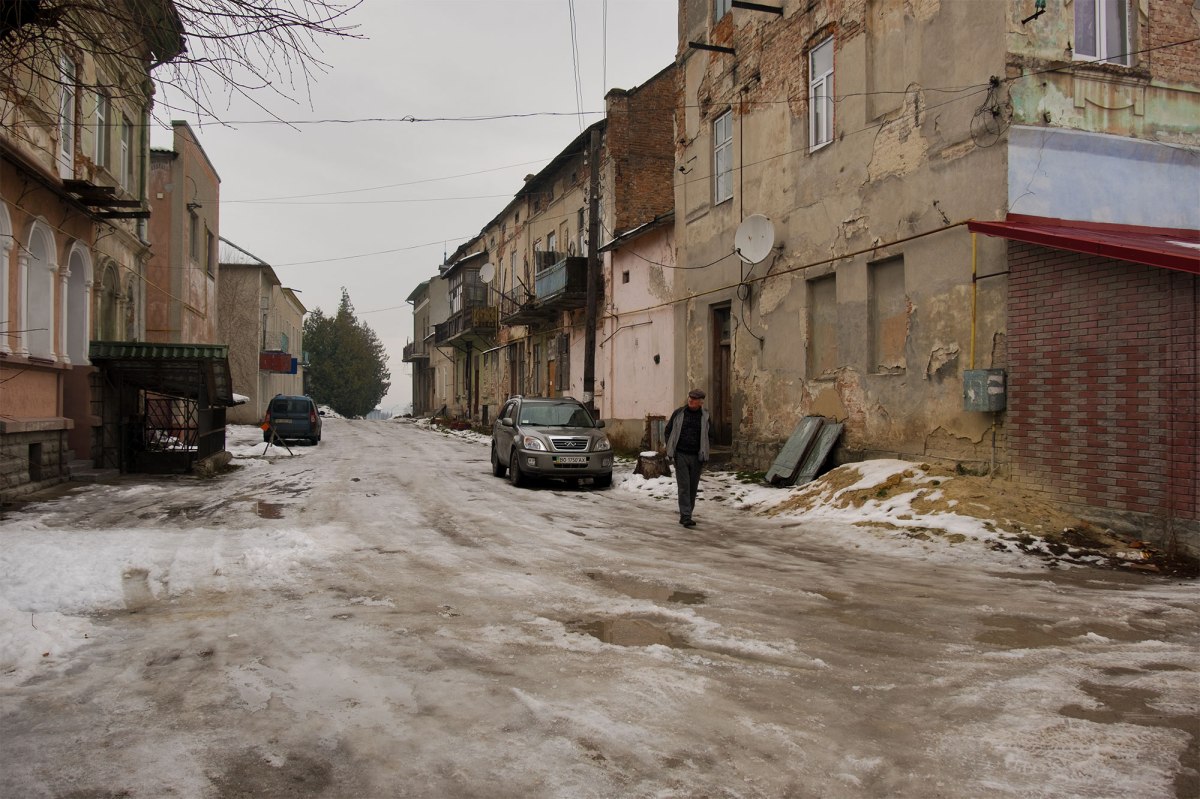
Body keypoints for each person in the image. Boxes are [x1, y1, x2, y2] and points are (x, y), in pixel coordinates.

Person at [665, 388, 711, 527]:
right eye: (690, 398)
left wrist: (705, 450)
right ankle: (685, 516)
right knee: (684, 486)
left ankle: (687, 513)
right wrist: (671, 447)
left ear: (700, 402)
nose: (690, 400)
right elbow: (668, 431)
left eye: (694, 399)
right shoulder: (679, 413)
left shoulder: (705, 417)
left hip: (697, 457)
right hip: (681, 454)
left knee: (692, 487)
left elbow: (711, 435)